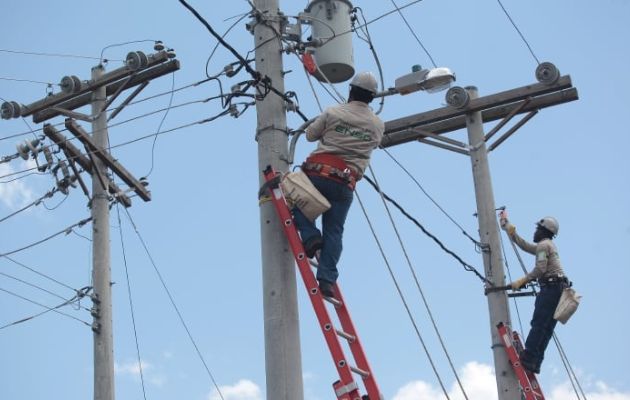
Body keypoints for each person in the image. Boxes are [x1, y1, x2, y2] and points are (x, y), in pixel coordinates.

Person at [292, 71, 385, 298]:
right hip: (345, 183)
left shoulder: (333, 112)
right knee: (334, 231)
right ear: (372, 98)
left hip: (318, 173)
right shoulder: (377, 124)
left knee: (294, 200)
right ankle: (326, 281)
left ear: (351, 90)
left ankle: (310, 235)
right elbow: (374, 144)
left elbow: (310, 136)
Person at [499, 210, 570, 374]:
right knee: (546, 328)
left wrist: (522, 281)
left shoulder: (545, 245)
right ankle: (534, 362)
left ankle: (528, 357)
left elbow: (540, 269)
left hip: (552, 288)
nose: (535, 231)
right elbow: (524, 245)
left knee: (539, 324)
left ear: (544, 231)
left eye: (537, 228)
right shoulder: (545, 246)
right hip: (558, 289)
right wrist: (508, 227)